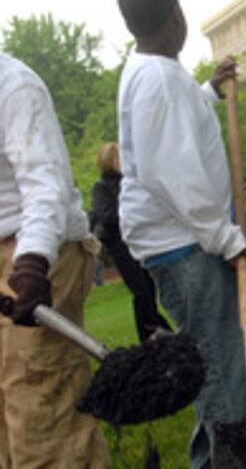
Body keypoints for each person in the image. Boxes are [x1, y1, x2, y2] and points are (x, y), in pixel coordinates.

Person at [116, 0, 246, 467]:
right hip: (185, 244)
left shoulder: (155, 72)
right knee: (222, 365)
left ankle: (225, 455)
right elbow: (175, 174)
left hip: (184, 240)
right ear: (175, 19)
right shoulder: (158, 79)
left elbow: (177, 125)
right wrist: (224, 237)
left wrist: (208, 90)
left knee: (223, 355)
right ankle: (233, 458)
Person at [0, 53, 111, 467]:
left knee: (43, 419)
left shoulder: (14, 87)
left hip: (39, 255)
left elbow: (46, 185)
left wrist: (32, 262)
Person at [90, 142, 172, 342]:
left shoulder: (132, 182)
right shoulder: (102, 188)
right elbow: (106, 217)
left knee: (149, 290)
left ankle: (157, 331)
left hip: (140, 243)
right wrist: (131, 211)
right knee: (142, 291)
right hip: (121, 247)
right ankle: (152, 332)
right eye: (118, 158)